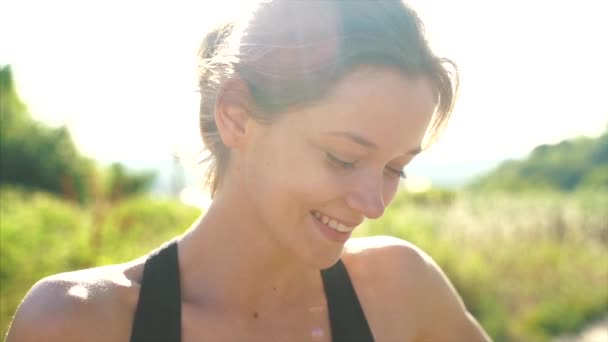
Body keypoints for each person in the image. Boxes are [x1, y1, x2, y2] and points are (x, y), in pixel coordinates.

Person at [7, 1, 491, 341]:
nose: (374, 204)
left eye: (395, 168)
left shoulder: (400, 290)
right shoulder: (80, 323)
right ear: (236, 114)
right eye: (342, 158)